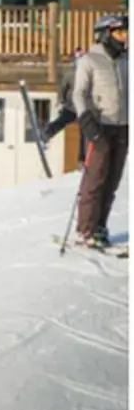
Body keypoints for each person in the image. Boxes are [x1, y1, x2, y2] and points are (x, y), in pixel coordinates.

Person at [71, 14, 128, 248]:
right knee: (95, 179)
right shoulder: (90, 60)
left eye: (125, 32)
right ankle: (86, 229)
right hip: (99, 126)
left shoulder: (126, 60)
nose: (124, 37)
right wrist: (86, 120)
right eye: (118, 32)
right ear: (105, 34)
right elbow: (78, 93)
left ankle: (101, 226)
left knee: (112, 180)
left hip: (123, 127)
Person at [42, 47, 85, 167]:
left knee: (84, 132)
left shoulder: (89, 73)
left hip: (84, 107)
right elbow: (63, 88)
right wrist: (61, 100)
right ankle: (47, 133)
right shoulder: (70, 73)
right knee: (63, 120)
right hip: (72, 105)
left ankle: (82, 159)